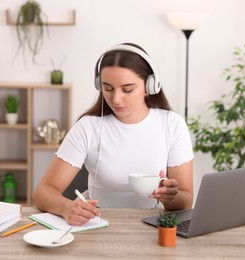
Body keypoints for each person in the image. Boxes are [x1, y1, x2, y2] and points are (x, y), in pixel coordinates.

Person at [33, 43, 194, 226]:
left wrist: (169, 196)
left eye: (127, 89)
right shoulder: (88, 127)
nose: (116, 99)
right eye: (108, 88)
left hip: (152, 227)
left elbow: (186, 200)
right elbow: (43, 192)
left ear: (150, 85)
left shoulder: (172, 125)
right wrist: (66, 208)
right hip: (98, 225)